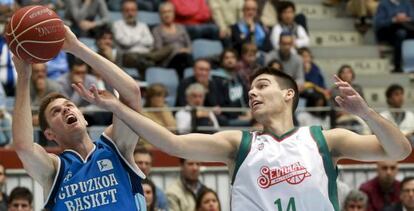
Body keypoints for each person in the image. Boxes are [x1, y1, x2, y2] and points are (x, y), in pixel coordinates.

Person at [73, 66, 411, 210]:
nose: (253, 92)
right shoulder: (239, 144)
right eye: (250, 89)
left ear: (289, 93)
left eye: (262, 85)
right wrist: (116, 106)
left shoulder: (325, 139)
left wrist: (366, 113)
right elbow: (170, 143)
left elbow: (399, 151)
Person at [11, 26, 147, 210]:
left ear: (84, 119)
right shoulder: (53, 168)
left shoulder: (115, 147)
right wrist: (24, 77)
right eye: (56, 112)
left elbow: (131, 94)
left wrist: (76, 48)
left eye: (69, 106)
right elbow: (23, 146)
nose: (66, 110)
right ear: (49, 134)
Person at [152, 2, 193, 79]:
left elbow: (190, 46)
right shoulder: (157, 30)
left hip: (185, 57)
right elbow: (159, 49)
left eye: (169, 11)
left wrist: (186, 50)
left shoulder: (180, 27)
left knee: (188, 58)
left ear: (174, 13)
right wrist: (177, 51)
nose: (167, 15)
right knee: (183, 58)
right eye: (164, 12)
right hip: (168, 61)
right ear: (160, 15)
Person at [374, 0, 414, 72]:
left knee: (402, 31)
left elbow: (412, 17)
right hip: (388, 31)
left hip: (407, 29)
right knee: (400, 33)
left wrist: (405, 19)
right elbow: (379, 23)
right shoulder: (383, 4)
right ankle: (397, 66)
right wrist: (394, 19)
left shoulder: (407, 3)